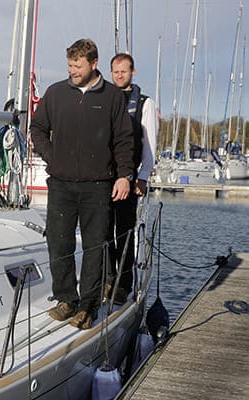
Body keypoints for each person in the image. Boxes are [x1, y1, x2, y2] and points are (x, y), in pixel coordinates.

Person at [29, 39, 134, 330]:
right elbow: (37, 129)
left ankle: (87, 306)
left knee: (95, 248)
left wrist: (125, 175)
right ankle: (65, 299)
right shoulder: (56, 93)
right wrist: (53, 158)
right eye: (70, 66)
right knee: (58, 243)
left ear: (93, 64)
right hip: (61, 184)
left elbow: (124, 140)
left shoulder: (112, 97)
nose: (72, 71)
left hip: (98, 186)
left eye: (78, 66)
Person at [109, 53, 158, 304]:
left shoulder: (144, 104)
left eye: (123, 71)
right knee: (103, 231)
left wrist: (142, 176)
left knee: (124, 231)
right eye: (115, 71)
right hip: (104, 177)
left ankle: (123, 283)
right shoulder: (106, 98)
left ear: (132, 72)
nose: (119, 76)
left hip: (128, 177)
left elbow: (149, 144)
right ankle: (107, 279)